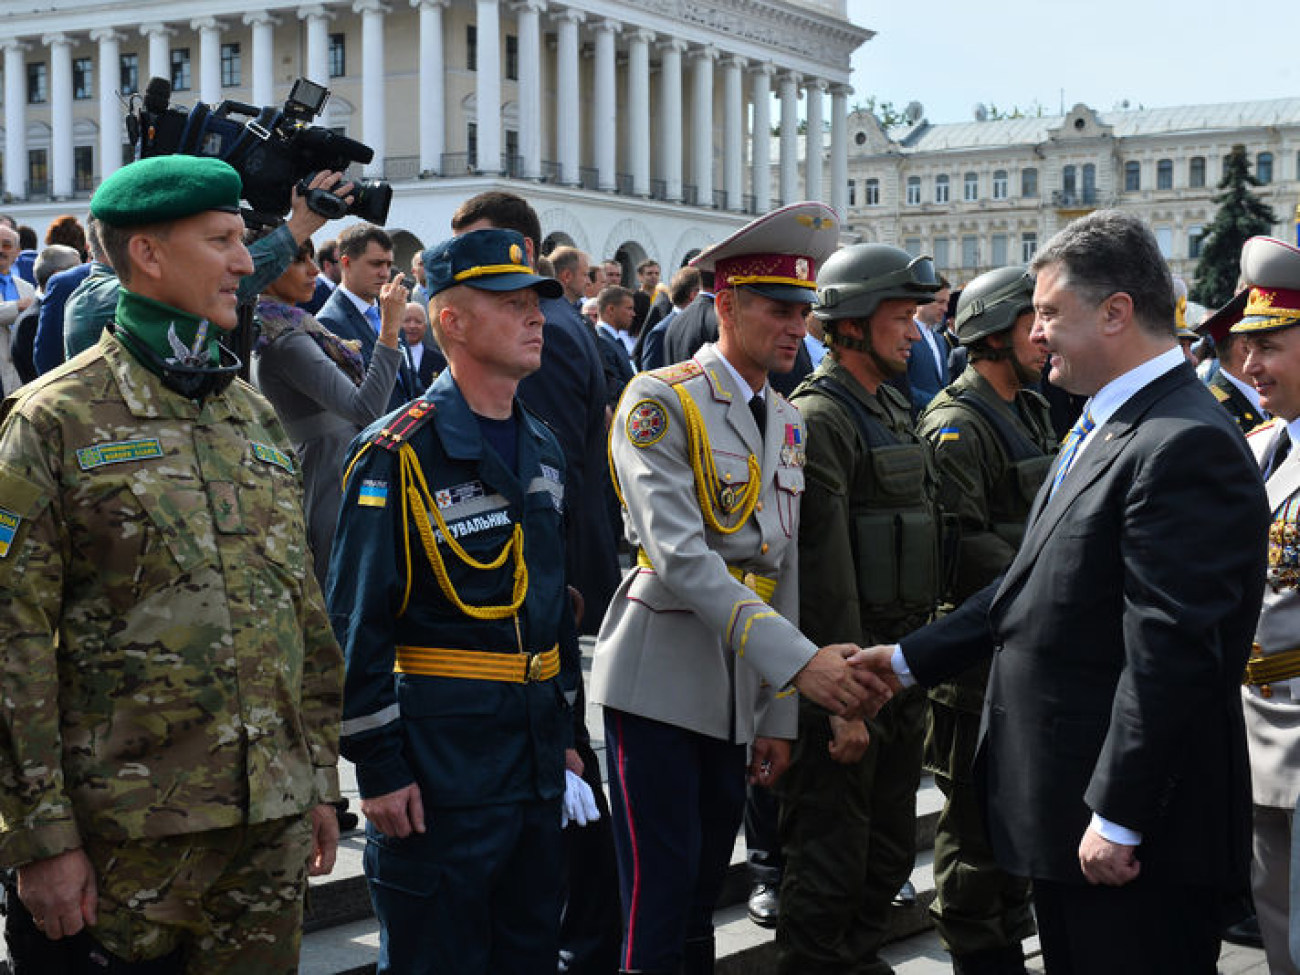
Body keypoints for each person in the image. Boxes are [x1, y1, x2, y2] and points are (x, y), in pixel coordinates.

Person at [859, 209, 1269, 975]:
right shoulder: (1108, 426)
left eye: (1049, 312)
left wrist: (1118, 814)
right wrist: (905, 660)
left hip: (1130, 836)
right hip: (1071, 815)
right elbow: (1031, 586)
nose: (1036, 331)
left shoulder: (1181, 442)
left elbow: (1171, 654)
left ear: (1116, 312)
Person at [0, 155, 344, 972]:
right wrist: (39, 838)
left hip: (267, 833)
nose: (240, 261)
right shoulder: (53, 420)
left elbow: (301, 609)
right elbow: (9, 642)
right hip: (123, 848)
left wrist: (317, 775)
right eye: (222, 239)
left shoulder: (249, 413)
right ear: (148, 255)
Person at [592, 202, 892, 975]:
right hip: (660, 681)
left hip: (735, 693)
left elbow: (779, 565)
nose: (798, 327)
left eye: (805, 312)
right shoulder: (661, 399)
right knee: (654, 911)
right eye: (779, 309)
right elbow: (684, 558)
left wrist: (777, 711)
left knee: (699, 904)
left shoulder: (786, 420)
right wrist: (798, 666)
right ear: (725, 305)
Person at [329, 227, 588, 974]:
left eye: (539, 299)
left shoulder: (541, 443)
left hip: (535, 765)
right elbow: (356, 621)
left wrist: (568, 730)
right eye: (512, 303)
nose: (537, 315)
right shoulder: (398, 451)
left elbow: (549, 606)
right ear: (452, 322)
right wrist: (376, 766)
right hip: (442, 772)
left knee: (531, 956)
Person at [449, 193, 623, 974]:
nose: (527, 317)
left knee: (563, 812)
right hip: (505, 640)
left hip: (531, 611)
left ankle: (589, 944)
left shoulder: (542, 346)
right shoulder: (573, 331)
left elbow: (525, 483)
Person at [776, 242, 945, 975]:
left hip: (896, 677)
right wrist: (844, 704)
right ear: (849, 323)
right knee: (829, 870)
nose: (915, 331)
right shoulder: (820, 416)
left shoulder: (891, 408)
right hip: (851, 685)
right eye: (900, 316)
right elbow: (822, 570)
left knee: (881, 862)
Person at [914, 267, 1056, 975]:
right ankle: (979, 952)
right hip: (973, 667)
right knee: (972, 835)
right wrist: (1055, 577)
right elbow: (965, 545)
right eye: (1033, 320)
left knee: (1013, 822)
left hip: (1023, 649)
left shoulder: (1029, 409)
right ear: (994, 332)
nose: (1045, 334)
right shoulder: (954, 426)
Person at [250, 234, 407, 587]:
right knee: (338, 592)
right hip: (328, 478)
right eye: (298, 261)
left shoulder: (289, 325)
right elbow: (365, 409)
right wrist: (391, 329)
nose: (313, 270)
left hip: (334, 469)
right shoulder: (285, 338)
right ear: (269, 271)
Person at [61, 172, 350, 360]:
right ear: (146, 254)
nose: (245, 266)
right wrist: (297, 228)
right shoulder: (98, 299)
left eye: (237, 239)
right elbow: (197, 292)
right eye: (219, 241)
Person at [1226, 235, 1300, 974]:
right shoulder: (1258, 446)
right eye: (1247, 347)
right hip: (1258, 731)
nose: (1250, 366)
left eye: (1269, 345)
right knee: (1280, 926)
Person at [316, 223, 417, 412]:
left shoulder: (389, 310)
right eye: (376, 264)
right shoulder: (328, 322)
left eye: (388, 264)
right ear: (346, 263)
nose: (385, 273)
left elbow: (408, 381)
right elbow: (355, 401)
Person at [902, 276, 953, 415]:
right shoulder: (905, 335)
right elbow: (900, 386)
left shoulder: (940, 341)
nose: (945, 308)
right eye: (940, 302)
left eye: (947, 303)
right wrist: (938, 401)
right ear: (924, 299)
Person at [0, 226, 36, 396]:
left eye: (6, 245)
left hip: (19, 375)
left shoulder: (27, 288)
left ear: (17, 251)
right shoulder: (25, 299)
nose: (0, 250)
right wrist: (17, 307)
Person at [400, 300, 444, 389]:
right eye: (407, 321)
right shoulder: (391, 357)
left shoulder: (439, 359)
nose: (412, 326)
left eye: (418, 322)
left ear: (425, 327)